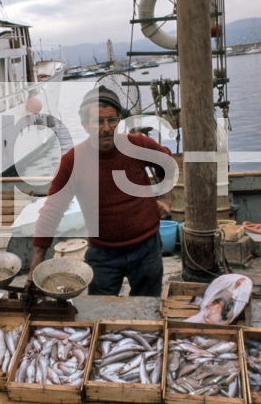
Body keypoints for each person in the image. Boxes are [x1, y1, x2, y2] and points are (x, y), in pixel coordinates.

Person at [28, 86, 175, 296]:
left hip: (147, 247)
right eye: (98, 121)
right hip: (103, 253)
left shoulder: (139, 144)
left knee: (148, 309)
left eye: (112, 120)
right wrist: (35, 268)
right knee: (100, 311)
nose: (106, 128)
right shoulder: (72, 162)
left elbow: (168, 164)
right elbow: (51, 212)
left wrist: (165, 199)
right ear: (85, 125)